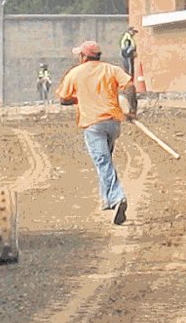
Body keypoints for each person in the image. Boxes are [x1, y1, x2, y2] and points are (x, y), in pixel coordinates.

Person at [57, 41, 137, 225]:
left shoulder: (75, 73)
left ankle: (118, 197)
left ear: (84, 56)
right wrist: (132, 110)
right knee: (105, 160)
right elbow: (130, 86)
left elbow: (63, 99)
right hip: (113, 123)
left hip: (93, 125)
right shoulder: (111, 69)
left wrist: (79, 99)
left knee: (102, 162)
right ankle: (107, 200)